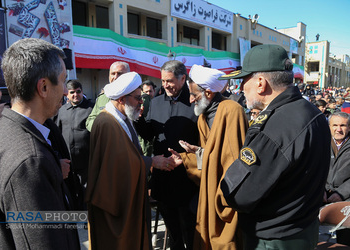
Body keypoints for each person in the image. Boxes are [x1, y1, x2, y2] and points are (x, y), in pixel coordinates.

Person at [219, 44, 331, 250]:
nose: (242, 87)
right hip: (303, 230)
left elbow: (240, 196)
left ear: (260, 83)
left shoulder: (273, 126)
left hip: (273, 239)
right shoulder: (312, 112)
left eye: (244, 80)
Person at [0, 38, 80, 249]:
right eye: (63, 80)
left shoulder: (4, 127)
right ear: (43, 86)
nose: (65, 91)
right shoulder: (30, 161)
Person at [85, 72, 180, 249]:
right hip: (115, 209)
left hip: (128, 202)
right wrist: (151, 162)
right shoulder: (106, 123)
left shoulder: (123, 119)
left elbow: (128, 157)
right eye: (137, 98)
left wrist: (150, 161)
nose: (141, 102)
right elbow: (115, 168)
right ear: (122, 99)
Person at [169, 64, 248, 249]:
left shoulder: (231, 111)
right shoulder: (204, 117)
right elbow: (211, 155)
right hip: (209, 188)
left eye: (194, 95)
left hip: (227, 193)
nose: (190, 100)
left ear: (209, 93)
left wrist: (200, 154)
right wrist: (190, 156)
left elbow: (232, 160)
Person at [135, 60, 199, 250]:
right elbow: (148, 134)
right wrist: (139, 121)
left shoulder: (194, 101)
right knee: (172, 230)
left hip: (188, 179)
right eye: (163, 81)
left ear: (183, 79)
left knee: (191, 227)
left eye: (169, 81)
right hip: (163, 178)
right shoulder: (155, 103)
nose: (165, 85)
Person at [55, 79, 94, 209]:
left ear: (82, 92)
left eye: (78, 92)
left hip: (86, 159)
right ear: (67, 94)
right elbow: (57, 132)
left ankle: (87, 217)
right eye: (72, 92)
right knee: (72, 189)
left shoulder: (90, 108)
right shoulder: (62, 110)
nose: (75, 95)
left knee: (86, 190)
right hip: (68, 159)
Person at [324, 112, 350, 245]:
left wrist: (341, 193)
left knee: (345, 237)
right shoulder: (320, 141)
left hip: (346, 196)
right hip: (323, 193)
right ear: (329, 126)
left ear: (349, 127)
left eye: (343, 125)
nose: (338, 129)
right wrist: (319, 189)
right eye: (335, 125)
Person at [85, 61, 130, 131]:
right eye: (113, 73)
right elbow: (90, 120)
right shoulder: (102, 97)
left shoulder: (136, 96)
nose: (115, 77)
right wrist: (102, 128)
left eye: (120, 73)